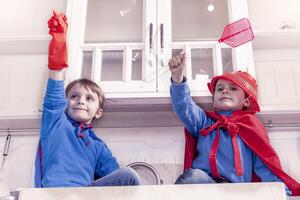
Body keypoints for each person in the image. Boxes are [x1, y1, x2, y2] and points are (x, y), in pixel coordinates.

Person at [168, 52, 300, 196]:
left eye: (233, 88)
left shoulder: (251, 126)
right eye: (220, 88)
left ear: (246, 101)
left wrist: (280, 193)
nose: (225, 90)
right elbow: (184, 107)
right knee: (192, 178)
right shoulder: (204, 121)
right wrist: (177, 78)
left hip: (238, 192)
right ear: (214, 100)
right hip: (204, 188)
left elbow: (264, 163)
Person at [34, 11, 140, 188]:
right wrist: (59, 43)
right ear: (66, 102)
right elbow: (54, 92)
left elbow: (115, 176)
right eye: (74, 96)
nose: (80, 101)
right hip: (54, 193)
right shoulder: (56, 123)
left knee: (129, 177)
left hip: (85, 195)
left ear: (99, 111)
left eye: (89, 98)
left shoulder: (98, 146)